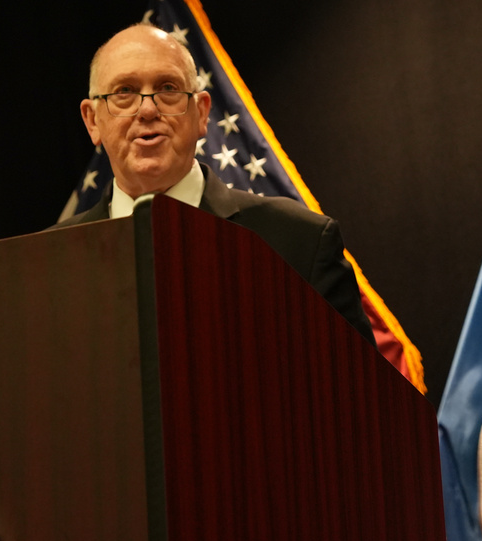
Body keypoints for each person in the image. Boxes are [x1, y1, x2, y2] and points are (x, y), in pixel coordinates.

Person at [54, 23, 374, 343]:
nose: (148, 109)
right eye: (124, 92)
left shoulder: (301, 243)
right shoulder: (45, 262)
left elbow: (357, 389)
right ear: (93, 120)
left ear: (202, 113)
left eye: (168, 88)